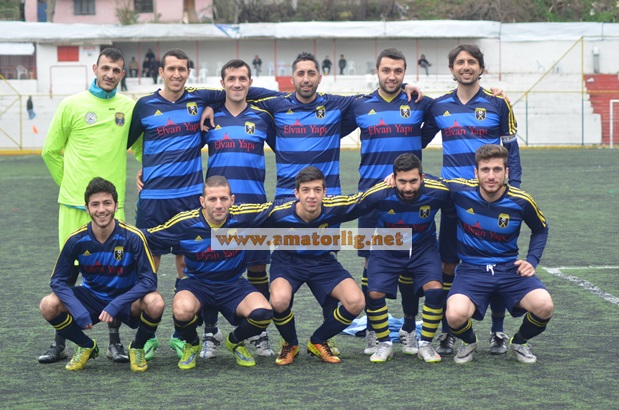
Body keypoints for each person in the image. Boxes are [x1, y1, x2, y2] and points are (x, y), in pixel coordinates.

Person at [128, 49, 277, 360]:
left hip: (236, 203)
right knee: (160, 270)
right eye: (171, 69)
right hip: (172, 201)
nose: (177, 74)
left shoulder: (221, 108)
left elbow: (243, 93)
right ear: (161, 71)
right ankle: (174, 335)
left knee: (237, 266)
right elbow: (129, 142)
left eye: (182, 69)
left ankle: (249, 334)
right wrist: (146, 167)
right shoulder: (154, 107)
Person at [41, 47, 135, 365]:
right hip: (73, 207)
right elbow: (50, 151)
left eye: (116, 70)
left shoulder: (128, 108)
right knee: (67, 275)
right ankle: (62, 343)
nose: (110, 74)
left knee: (117, 274)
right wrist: (70, 188)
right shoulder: (71, 105)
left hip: (113, 208)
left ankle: (115, 343)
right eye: (105, 68)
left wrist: (146, 174)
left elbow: (142, 149)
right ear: (95, 69)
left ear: (123, 74)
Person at [426, 44, 522, 356]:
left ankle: (497, 331)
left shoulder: (498, 103)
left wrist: (513, 189)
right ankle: (449, 331)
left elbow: (511, 149)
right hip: (453, 199)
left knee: (496, 262)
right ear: (451, 69)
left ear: (481, 68)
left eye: (471, 62)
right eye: (460, 62)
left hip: (492, 199)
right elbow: (418, 134)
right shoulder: (438, 106)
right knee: (448, 263)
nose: (466, 67)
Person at [342, 48, 438, 356]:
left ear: (405, 73)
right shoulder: (360, 105)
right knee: (370, 262)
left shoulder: (419, 103)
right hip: (372, 198)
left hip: (410, 198)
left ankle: (409, 327)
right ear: (377, 71)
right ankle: (374, 329)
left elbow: (439, 119)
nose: (392, 76)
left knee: (409, 261)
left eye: (398, 71)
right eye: (386, 70)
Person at [143, 176, 274, 369]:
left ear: (232, 200)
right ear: (202, 201)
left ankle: (234, 341)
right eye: (212, 199)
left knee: (264, 312)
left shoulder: (243, 217)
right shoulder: (185, 223)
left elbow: (276, 209)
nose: (218, 205)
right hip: (197, 284)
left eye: (223, 199)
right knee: (181, 310)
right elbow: (147, 236)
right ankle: (192, 344)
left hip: (233, 284)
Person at [39, 177, 164, 372]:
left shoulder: (133, 237)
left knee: (156, 302)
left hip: (126, 300)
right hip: (92, 297)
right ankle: (86, 345)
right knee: (48, 304)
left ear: (116, 205)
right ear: (87, 208)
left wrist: (116, 304)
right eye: (95, 204)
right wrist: (78, 310)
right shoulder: (76, 240)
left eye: (107, 203)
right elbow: (57, 280)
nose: (101, 209)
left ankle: (137, 348)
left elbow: (149, 281)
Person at [443, 144, 553, 364]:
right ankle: (470, 342)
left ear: (506, 172)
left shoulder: (522, 200)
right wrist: (393, 178)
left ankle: (519, 342)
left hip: (509, 268)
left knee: (544, 305)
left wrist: (532, 260)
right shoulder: (460, 191)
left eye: (497, 169)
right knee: (454, 315)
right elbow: (424, 182)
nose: (491, 176)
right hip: (471, 270)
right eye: (485, 170)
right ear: (476, 173)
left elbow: (541, 229)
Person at [200, 59, 276, 359]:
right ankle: (210, 332)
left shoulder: (262, 117)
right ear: (222, 84)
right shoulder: (209, 118)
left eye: (242, 79)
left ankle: (258, 332)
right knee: (212, 269)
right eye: (230, 79)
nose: (237, 84)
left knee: (257, 267)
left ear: (250, 82)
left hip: (254, 208)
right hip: (217, 211)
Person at [359, 153, 455, 363]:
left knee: (435, 290)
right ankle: (384, 344)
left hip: (423, 247)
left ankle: (425, 344)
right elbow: (349, 208)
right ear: (393, 178)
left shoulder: (438, 191)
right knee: (374, 293)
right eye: (402, 181)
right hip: (387, 246)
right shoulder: (379, 193)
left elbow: (456, 203)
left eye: (413, 181)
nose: (408, 187)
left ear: (422, 177)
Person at [267, 167, 366, 365]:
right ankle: (290, 343)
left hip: (323, 262)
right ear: (296, 193)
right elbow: (249, 216)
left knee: (356, 301)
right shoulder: (278, 213)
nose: (311, 195)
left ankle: (318, 340)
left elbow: (366, 200)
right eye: (306, 190)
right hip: (287, 262)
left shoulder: (334, 208)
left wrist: (392, 182)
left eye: (317, 190)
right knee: (278, 301)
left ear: (324, 192)